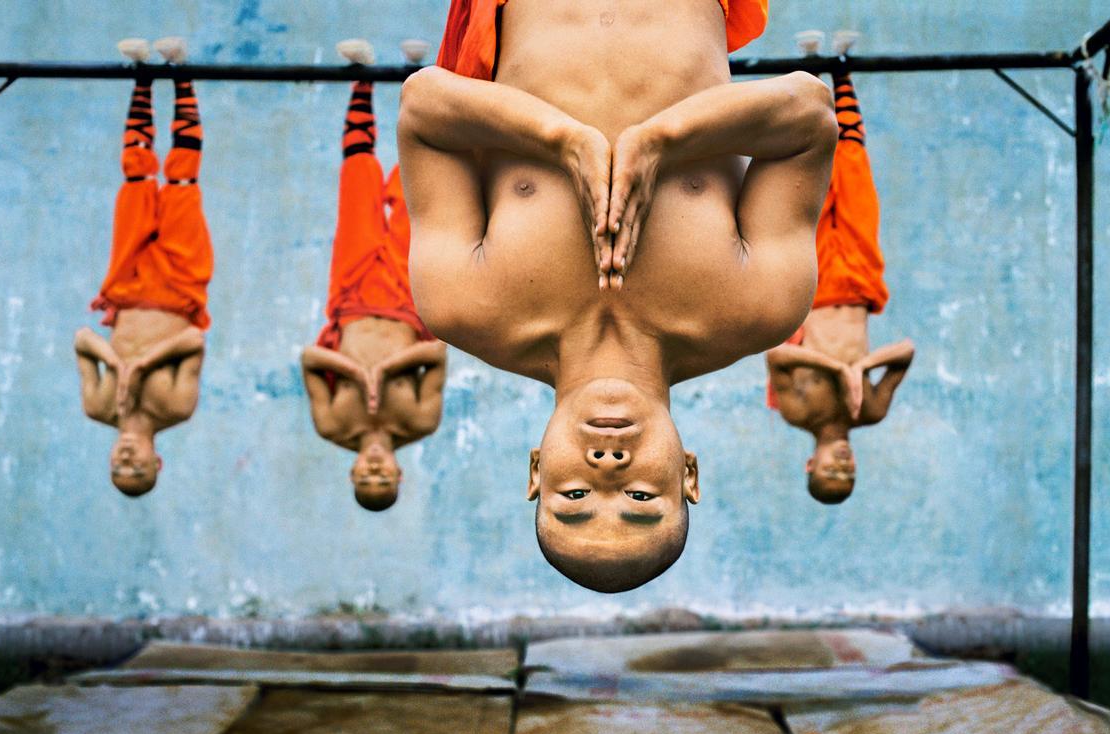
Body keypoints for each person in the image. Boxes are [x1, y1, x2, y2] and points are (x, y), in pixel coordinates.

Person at [397, 0, 835, 591]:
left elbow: (423, 105)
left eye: (573, 496)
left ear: (535, 470)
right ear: (688, 476)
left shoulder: (462, 304)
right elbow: (809, 112)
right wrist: (662, 140)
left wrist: (560, 140)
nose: (607, 468)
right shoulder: (760, 307)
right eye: (640, 497)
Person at [765, 31, 914, 505]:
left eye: (831, 471)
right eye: (849, 475)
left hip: (810, 282)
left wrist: (834, 366)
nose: (843, 465)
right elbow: (906, 352)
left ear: (811, 463)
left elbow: (777, 358)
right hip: (859, 281)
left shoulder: (796, 411)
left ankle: (809, 70)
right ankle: (842, 68)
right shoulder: (869, 409)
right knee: (852, 174)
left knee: (810, 181)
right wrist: (862, 369)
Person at [300, 41, 447, 512]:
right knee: (412, 192)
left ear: (354, 472)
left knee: (358, 190)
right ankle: (414, 76)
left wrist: (355, 372)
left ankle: (360, 81)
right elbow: (438, 353)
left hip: (352, 297)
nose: (376, 470)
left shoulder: (332, 425)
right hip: (407, 298)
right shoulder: (421, 421)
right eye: (385, 478)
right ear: (399, 473)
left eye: (367, 477)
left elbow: (308, 359)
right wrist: (384, 371)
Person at [75, 37, 212, 497]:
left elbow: (83, 339)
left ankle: (142, 78)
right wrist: (141, 367)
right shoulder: (175, 409)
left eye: (119, 470)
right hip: (179, 287)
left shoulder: (98, 407)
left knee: (136, 179)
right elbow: (193, 340)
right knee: (180, 180)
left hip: (127, 286)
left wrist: (116, 362)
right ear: (158, 461)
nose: (127, 462)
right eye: (139, 470)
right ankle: (182, 74)